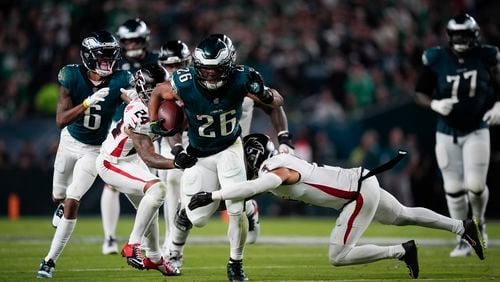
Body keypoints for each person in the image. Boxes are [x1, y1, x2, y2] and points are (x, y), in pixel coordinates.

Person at [188, 133, 486, 280]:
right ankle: (462, 226)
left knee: (338, 256)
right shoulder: (280, 159)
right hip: (360, 183)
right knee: (402, 215)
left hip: (355, 194)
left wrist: (213, 196)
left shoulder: (275, 170)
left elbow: (255, 187)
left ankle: (402, 250)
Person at [148, 36, 285, 281]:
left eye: (216, 69)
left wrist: (264, 93)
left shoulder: (242, 77)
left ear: (229, 64)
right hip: (199, 154)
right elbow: (158, 93)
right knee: (197, 218)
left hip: (229, 148)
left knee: (236, 208)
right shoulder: (184, 81)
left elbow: (277, 101)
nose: (210, 75)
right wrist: (171, 142)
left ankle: (235, 263)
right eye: (206, 69)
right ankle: (182, 225)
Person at [37, 30, 134, 278]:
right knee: (58, 196)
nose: (107, 63)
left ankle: (49, 261)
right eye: (102, 58)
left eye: (110, 57)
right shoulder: (70, 75)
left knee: (72, 200)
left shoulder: (120, 78)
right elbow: (60, 121)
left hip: (94, 149)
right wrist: (87, 103)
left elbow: (131, 99)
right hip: (70, 141)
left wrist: (135, 99)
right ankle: (59, 207)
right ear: (89, 57)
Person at [96, 63, 196, 275]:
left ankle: (155, 258)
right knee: (158, 189)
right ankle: (133, 245)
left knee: (148, 209)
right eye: (157, 87)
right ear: (145, 89)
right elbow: (149, 157)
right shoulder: (138, 114)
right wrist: (175, 163)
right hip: (114, 162)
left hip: (132, 160)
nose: (165, 90)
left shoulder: (150, 101)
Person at [414, 14, 500, 257]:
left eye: (465, 35)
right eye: (456, 35)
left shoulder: (487, 56)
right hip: (446, 131)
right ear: (449, 36)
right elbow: (420, 92)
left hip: (476, 128)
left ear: (475, 35)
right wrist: (434, 105)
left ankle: (480, 223)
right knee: (452, 186)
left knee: (475, 185)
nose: (460, 40)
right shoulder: (437, 58)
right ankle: (464, 236)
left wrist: (498, 106)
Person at [100, 18, 159, 255]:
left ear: (145, 39)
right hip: (122, 124)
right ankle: (110, 238)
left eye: (136, 39)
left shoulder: (156, 61)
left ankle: (145, 242)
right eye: (128, 41)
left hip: (151, 125)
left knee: (151, 181)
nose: (133, 45)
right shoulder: (115, 63)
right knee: (113, 184)